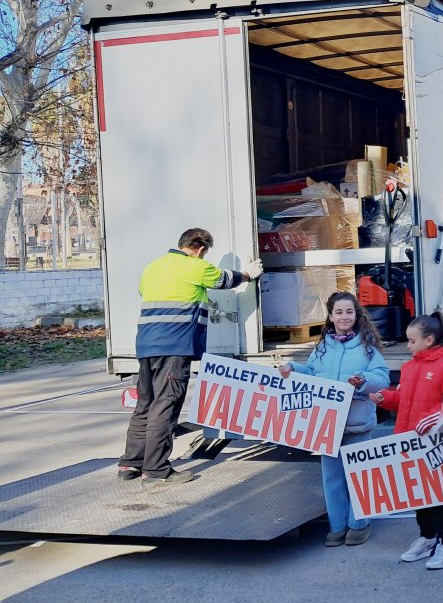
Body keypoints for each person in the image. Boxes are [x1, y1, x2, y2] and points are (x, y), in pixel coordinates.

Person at [118, 228, 262, 485]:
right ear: (200, 249)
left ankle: (131, 463)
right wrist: (248, 274)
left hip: (146, 345)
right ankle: (156, 469)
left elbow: (146, 294)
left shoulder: (153, 267)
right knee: (166, 405)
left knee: (146, 405)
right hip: (174, 347)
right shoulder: (195, 266)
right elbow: (224, 279)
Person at [280, 292, 390, 547]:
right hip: (326, 425)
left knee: (359, 476)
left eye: (349, 312)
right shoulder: (321, 347)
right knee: (332, 478)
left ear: (356, 314)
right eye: (339, 312)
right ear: (330, 316)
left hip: (356, 422)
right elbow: (311, 372)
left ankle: (360, 524)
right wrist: (292, 369)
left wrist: (362, 381)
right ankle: (337, 525)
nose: (344, 317)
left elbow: (382, 378)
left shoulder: (368, 346)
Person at [369, 313, 443, 570]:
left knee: (439, 494)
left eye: (411, 341)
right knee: (417, 493)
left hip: (436, 443)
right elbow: (401, 400)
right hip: (407, 440)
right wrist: (383, 399)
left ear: (429, 340)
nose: (407, 346)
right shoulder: (409, 367)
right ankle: (428, 537)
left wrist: (433, 419)